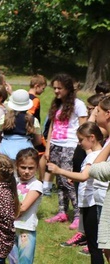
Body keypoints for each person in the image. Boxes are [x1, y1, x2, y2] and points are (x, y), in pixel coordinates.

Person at [48, 122, 105, 264]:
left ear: (92, 138)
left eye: (81, 140)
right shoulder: (93, 154)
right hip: (88, 203)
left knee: (95, 247)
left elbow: (84, 175)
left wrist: (59, 170)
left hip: (95, 203)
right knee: (91, 243)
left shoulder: (96, 155)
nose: (79, 143)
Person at [45, 74, 87, 225]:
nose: (56, 91)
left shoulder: (78, 105)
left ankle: (77, 215)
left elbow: (84, 127)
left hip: (70, 145)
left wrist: (80, 147)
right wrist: (48, 147)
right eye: (54, 88)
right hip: (56, 144)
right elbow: (52, 126)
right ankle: (62, 212)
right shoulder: (57, 104)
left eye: (59, 88)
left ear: (68, 89)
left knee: (68, 180)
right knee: (59, 181)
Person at [6, 148, 43, 264]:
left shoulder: (36, 185)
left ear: (36, 167)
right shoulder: (12, 181)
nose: (26, 171)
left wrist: (2, 212)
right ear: (16, 166)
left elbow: (22, 208)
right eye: (23, 167)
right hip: (11, 230)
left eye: (30, 168)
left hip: (25, 232)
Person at [0, 89, 42, 160]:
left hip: (5, 151)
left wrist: (6, 140)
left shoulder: (4, 117)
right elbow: (38, 141)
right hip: (25, 154)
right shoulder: (33, 120)